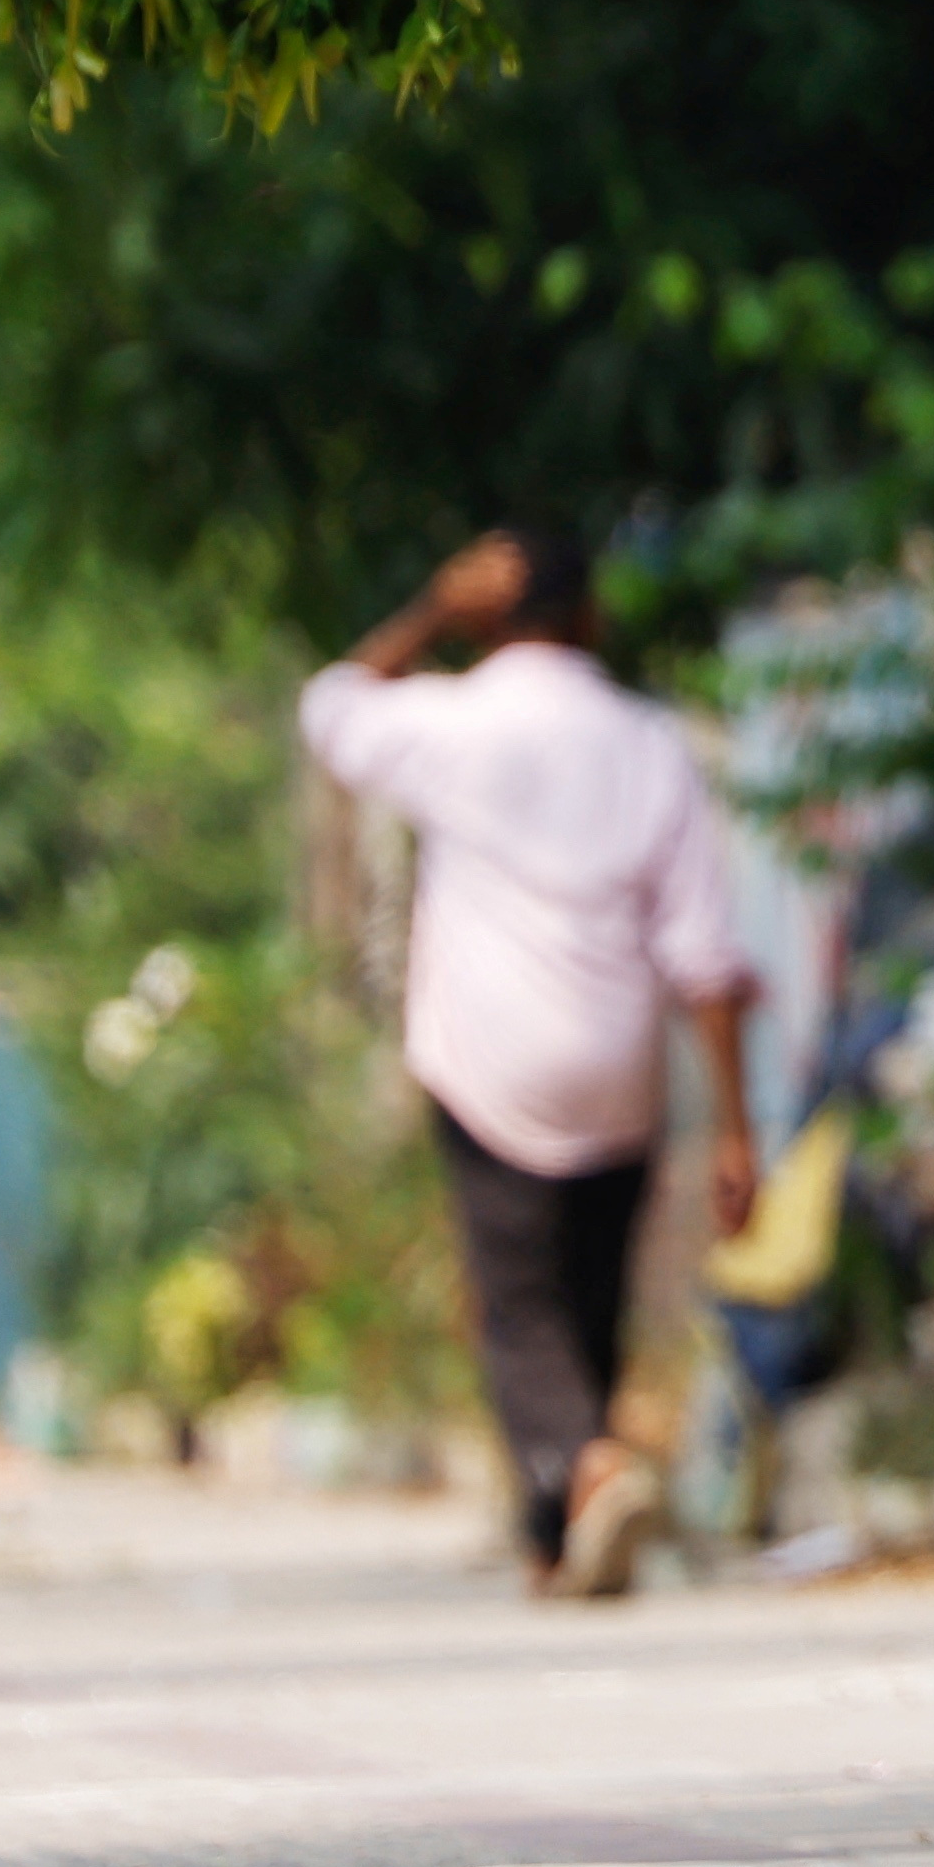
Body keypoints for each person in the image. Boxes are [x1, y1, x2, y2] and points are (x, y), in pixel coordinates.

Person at [304, 524, 760, 1598]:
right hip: (619, 1055)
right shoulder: (648, 743)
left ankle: (590, 1467)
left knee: (518, 1301)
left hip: (489, 1050)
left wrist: (427, 611)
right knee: (589, 1289)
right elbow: (705, 955)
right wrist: (737, 1125)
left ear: (492, 619)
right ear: (591, 619)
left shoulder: (453, 725)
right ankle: (556, 1534)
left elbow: (330, 706)